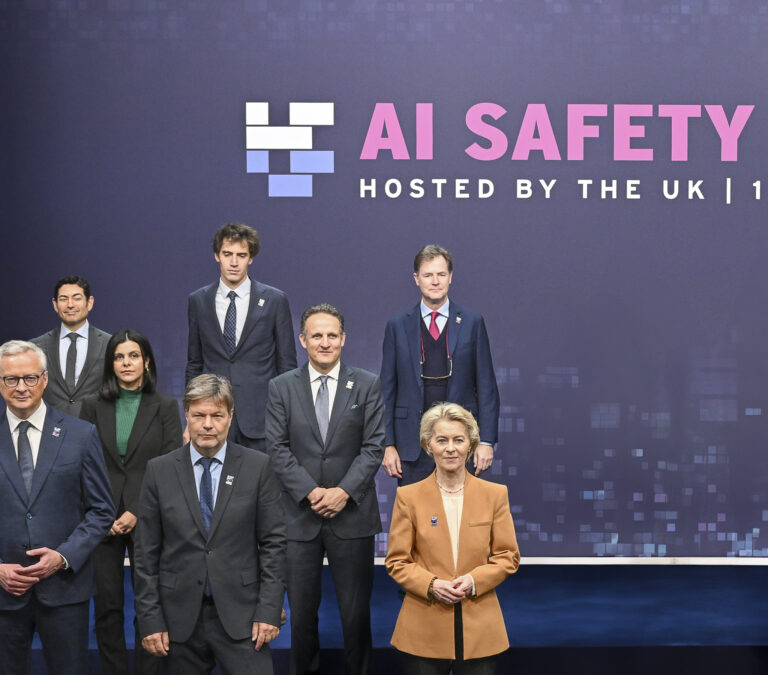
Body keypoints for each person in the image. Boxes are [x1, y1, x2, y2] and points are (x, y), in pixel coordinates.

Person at [134, 374, 286, 675]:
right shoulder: (159, 471)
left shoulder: (258, 466)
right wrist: (150, 619)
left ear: (230, 417)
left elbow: (274, 545)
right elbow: (145, 554)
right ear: (186, 415)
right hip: (178, 621)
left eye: (217, 415)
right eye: (199, 415)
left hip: (243, 618)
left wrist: (269, 610)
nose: (207, 424)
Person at [266, 304, 386, 675]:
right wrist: (312, 493)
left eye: (332, 335)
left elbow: (374, 446)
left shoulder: (367, 384)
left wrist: (342, 493)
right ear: (303, 341)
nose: (325, 342)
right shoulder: (280, 387)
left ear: (343, 339)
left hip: (351, 516)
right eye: (316, 335)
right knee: (302, 619)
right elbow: (276, 448)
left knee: (355, 618)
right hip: (300, 517)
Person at [0, 340, 114, 675]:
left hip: (64, 591)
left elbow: (101, 511)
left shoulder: (80, 434)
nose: (21, 387)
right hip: (4, 593)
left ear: (45, 380)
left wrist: (63, 557)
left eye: (30, 378)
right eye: (11, 379)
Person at [385, 403, 520, 675]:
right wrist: (432, 584)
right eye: (442, 440)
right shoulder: (408, 497)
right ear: (428, 445)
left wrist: (474, 580)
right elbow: (398, 561)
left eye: (459, 440)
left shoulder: (495, 495)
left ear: (470, 445)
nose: (450, 448)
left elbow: (508, 556)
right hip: (424, 624)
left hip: (479, 625)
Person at [80, 329, 183, 675]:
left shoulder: (166, 406)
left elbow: (171, 463)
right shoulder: (92, 406)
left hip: (149, 517)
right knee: (107, 607)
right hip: (102, 519)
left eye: (134, 356)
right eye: (119, 357)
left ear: (147, 361)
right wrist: (105, 512)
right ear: (111, 364)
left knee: (149, 604)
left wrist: (137, 510)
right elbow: (83, 463)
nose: (127, 363)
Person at [381, 244, 500, 485]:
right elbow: (386, 392)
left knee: (459, 519)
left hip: (461, 443)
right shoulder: (397, 326)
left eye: (441, 274)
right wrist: (387, 444)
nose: (435, 281)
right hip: (411, 446)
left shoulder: (472, 322)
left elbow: (486, 386)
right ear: (416, 279)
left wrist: (486, 441)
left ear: (450, 277)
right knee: (416, 520)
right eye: (428, 275)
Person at [186, 223, 297, 451]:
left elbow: (286, 366)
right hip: (213, 417)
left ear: (251, 258)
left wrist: (286, 420)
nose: (234, 262)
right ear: (217, 256)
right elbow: (194, 363)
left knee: (262, 486)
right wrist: (190, 418)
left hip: (262, 421)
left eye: (241, 255)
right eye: (227, 254)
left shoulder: (275, 300)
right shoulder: (198, 300)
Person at [31, 275, 111, 417]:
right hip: (49, 429)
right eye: (63, 299)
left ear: (90, 302)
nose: (70, 305)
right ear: (55, 304)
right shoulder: (36, 346)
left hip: (95, 430)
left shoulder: (110, 344)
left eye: (77, 298)